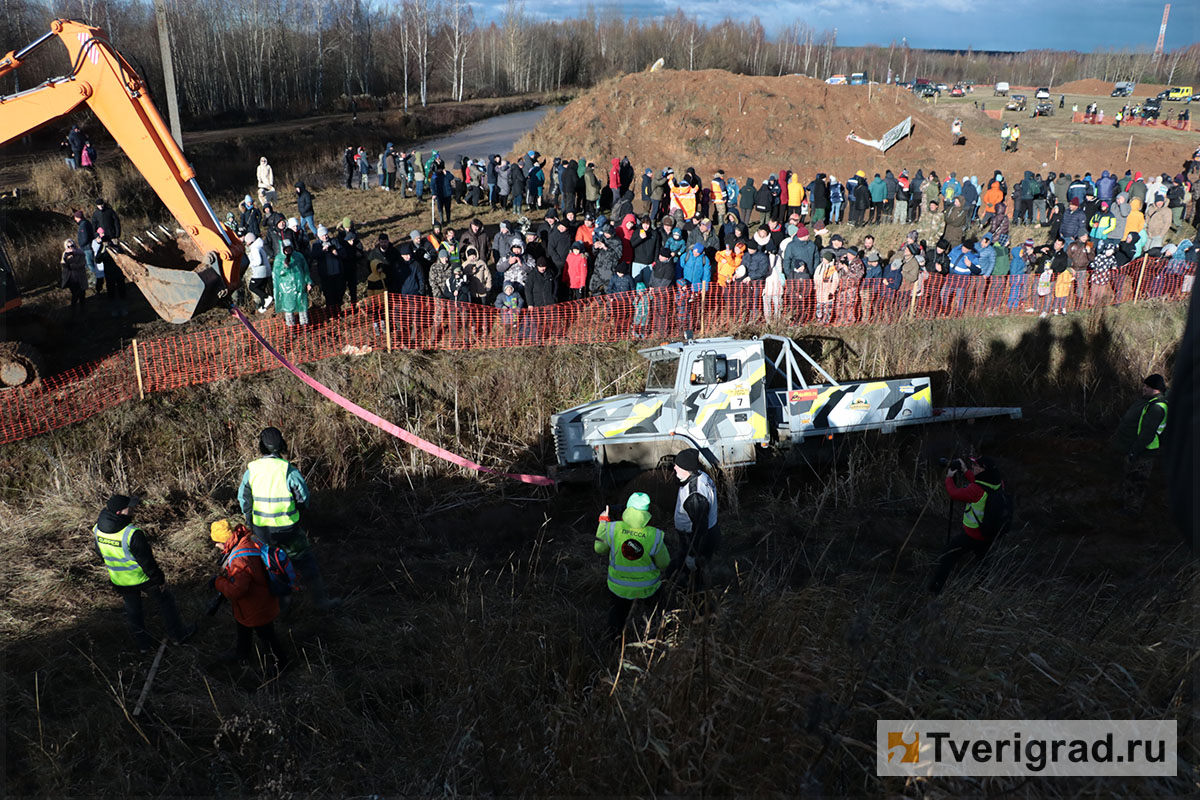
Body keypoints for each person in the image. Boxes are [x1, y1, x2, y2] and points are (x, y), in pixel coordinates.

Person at [238, 427, 339, 610]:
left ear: (261, 447)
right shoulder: (288, 470)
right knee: (306, 562)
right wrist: (299, 512)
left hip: (263, 532)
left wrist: (250, 521)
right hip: (289, 530)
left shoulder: (252, 470)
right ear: (281, 445)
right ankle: (320, 602)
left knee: (272, 567)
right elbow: (303, 497)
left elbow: (244, 499)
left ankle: (282, 608)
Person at [93, 494, 196, 651]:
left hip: (121, 580)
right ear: (119, 513)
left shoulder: (97, 529)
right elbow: (147, 562)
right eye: (130, 507)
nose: (133, 509)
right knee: (166, 602)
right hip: (144, 579)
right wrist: (159, 580)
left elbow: (100, 553)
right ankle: (178, 636)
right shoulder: (132, 533)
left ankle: (143, 646)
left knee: (134, 613)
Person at [209, 520, 289, 670]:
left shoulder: (240, 559)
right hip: (253, 604)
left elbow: (236, 591)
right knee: (244, 630)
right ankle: (242, 655)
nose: (216, 546)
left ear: (225, 540)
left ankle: (282, 664)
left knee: (268, 637)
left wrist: (218, 582)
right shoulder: (246, 540)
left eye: (217, 542)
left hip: (257, 606)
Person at [594, 492, 671, 641]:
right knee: (658, 610)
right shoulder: (654, 535)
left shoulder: (612, 528)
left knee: (617, 615)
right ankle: (659, 635)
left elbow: (599, 549)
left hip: (618, 587)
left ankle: (614, 641)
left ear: (627, 509)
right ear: (647, 513)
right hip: (648, 588)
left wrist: (603, 521)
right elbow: (664, 563)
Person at [929, 457, 1010, 594]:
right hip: (988, 533)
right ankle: (981, 588)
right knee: (982, 561)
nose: (973, 466)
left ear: (983, 470)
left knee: (947, 556)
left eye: (976, 465)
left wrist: (949, 477)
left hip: (972, 535)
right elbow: (980, 483)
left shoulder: (976, 491)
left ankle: (934, 590)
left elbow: (954, 493)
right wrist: (965, 470)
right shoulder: (997, 483)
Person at [1113, 374, 1169, 515]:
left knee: (1137, 481)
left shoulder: (1157, 407)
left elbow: (1147, 434)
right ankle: (1126, 502)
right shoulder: (1149, 401)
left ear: (1155, 389)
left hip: (1145, 451)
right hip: (1137, 448)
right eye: (1144, 385)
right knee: (1130, 477)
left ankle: (1132, 510)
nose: (1143, 388)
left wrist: (1134, 451)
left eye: (1147, 386)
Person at [669, 448, 719, 582]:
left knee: (696, 574)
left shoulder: (695, 495)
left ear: (686, 469)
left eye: (677, 466)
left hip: (695, 540)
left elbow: (700, 529)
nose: (674, 468)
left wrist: (692, 555)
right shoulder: (700, 475)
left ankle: (696, 596)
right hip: (703, 534)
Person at [272, 238, 311, 326]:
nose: (288, 250)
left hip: (300, 286)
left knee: (302, 307)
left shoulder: (299, 256)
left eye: (289, 248)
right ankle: (291, 329)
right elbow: (276, 274)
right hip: (287, 289)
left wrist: (308, 282)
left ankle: (305, 326)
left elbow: (305, 269)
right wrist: (284, 267)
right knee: (289, 309)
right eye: (286, 249)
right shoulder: (279, 259)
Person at [60, 239, 89, 318]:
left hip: (80, 277)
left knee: (82, 294)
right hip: (71, 278)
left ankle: (83, 311)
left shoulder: (80, 253)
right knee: (75, 294)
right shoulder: (65, 254)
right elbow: (64, 265)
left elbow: (82, 264)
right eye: (68, 246)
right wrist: (68, 259)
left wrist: (72, 264)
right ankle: (73, 312)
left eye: (72, 246)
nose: (70, 248)